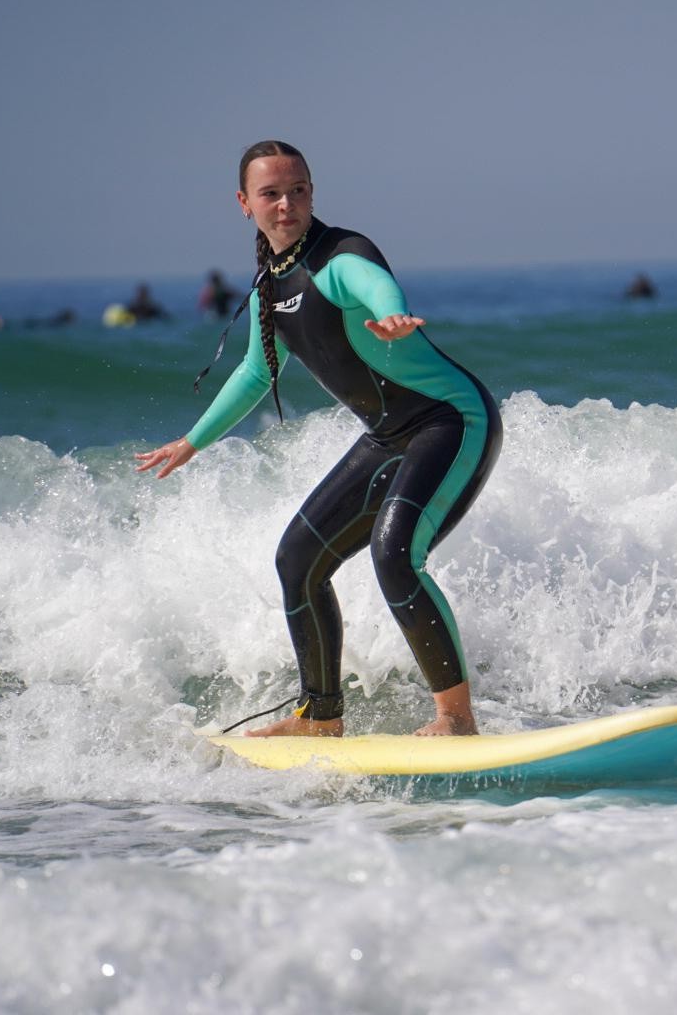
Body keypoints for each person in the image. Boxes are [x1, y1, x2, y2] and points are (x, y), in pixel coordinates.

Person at [136, 140, 502, 738]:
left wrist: (392, 313)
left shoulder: (340, 255)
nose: (287, 204)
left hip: (450, 420)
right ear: (243, 203)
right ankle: (320, 718)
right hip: (388, 434)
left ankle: (455, 718)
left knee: (395, 558)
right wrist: (192, 441)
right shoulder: (269, 289)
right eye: (271, 193)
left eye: (298, 190)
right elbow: (257, 372)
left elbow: (374, 281)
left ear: (313, 192)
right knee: (297, 560)